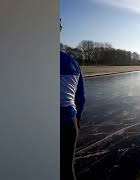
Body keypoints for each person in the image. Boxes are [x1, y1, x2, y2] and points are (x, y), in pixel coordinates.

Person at [60, 20, 86, 180]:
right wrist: (78, 118)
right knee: (67, 169)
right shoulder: (73, 62)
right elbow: (81, 97)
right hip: (68, 122)